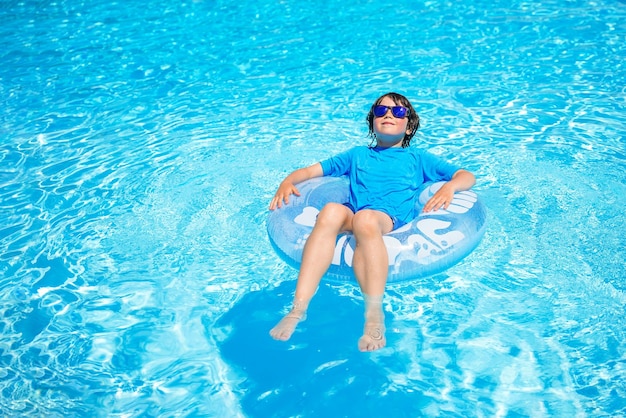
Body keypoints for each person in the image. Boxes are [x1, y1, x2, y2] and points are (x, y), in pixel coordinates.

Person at [268, 92, 476, 352]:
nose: (389, 115)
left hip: (389, 219)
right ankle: (298, 309)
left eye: (398, 112)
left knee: (365, 220)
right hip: (355, 213)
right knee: (331, 211)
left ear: (409, 125)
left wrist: (450, 188)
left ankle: (374, 314)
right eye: (381, 111)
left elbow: (466, 175)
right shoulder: (356, 155)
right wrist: (287, 181)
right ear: (372, 122)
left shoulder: (418, 158)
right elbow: (310, 172)